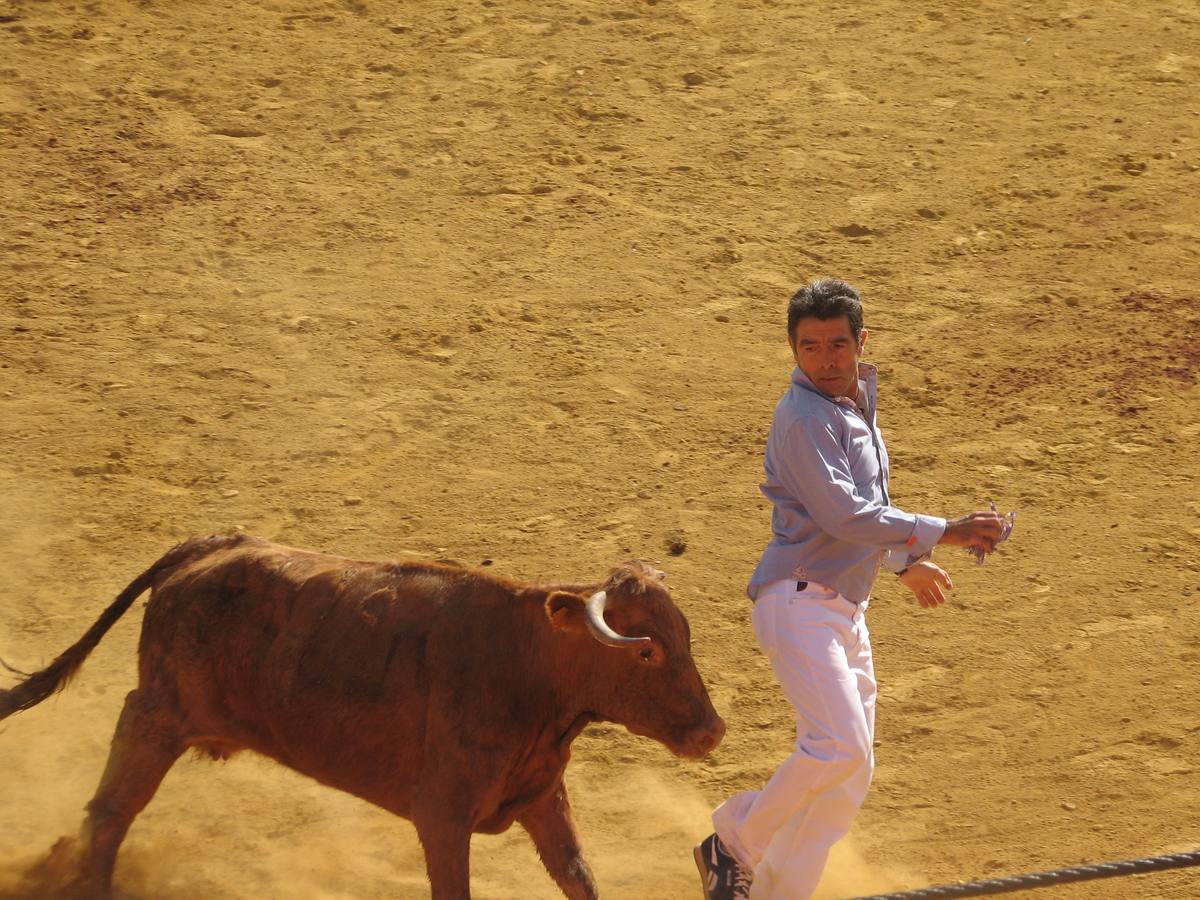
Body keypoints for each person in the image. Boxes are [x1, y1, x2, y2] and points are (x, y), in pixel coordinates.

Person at [694, 278, 1007, 900]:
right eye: (811, 347)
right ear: (793, 351)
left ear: (862, 343)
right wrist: (945, 531)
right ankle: (733, 841)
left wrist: (898, 561)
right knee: (836, 747)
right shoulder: (805, 418)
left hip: (840, 610)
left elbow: (862, 509)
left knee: (847, 776)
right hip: (799, 603)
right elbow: (841, 513)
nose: (827, 359)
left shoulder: (852, 407)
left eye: (838, 344)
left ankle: (777, 893)